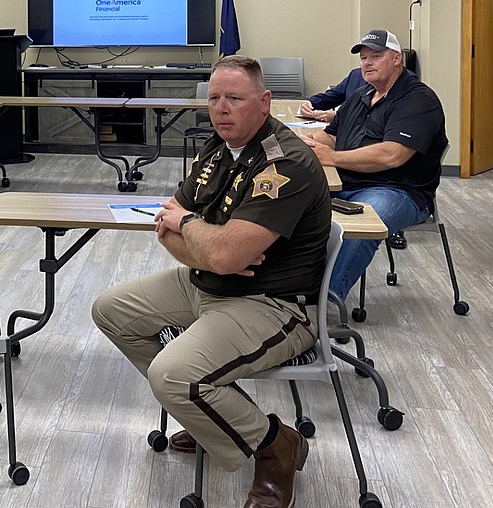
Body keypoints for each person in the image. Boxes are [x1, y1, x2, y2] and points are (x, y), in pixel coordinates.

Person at [92, 55, 331, 508]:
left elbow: (218, 250)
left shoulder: (286, 164)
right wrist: (199, 239)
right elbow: (167, 227)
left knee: (174, 376)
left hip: (272, 303)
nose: (221, 108)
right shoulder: (218, 149)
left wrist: (198, 236)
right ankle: (215, 415)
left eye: (234, 99)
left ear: (264, 102)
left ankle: (276, 446)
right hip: (206, 283)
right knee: (111, 310)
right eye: (214, 98)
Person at [303, 29, 447, 307]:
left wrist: (331, 158)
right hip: (347, 183)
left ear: (397, 59)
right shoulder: (360, 95)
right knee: (290, 203)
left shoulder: (418, 100)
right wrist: (302, 144)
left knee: (365, 220)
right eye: (364, 58)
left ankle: (324, 304)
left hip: (398, 190)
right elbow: (330, 136)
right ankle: (286, 290)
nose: (367, 63)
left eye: (376, 57)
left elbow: (392, 155)